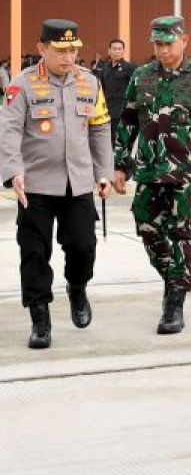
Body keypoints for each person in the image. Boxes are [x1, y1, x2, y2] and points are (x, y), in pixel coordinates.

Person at [0, 20, 113, 349]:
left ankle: (77, 288)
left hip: (78, 182)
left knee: (83, 246)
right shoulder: (22, 86)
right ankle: (40, 317)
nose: (69, 57)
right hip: (34, 184)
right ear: (42, 49)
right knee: (34, 252)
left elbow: (100, 129)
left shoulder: (90, 83)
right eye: (61, 51)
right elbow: (8, 133)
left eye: (73, 50)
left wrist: (103, 171)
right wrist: (13, 171)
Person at [112, 16, 191, 335]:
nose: (162, 50)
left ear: (184, 40)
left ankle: (174, 301)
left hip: (184, 172)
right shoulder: (142, 76)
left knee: (180, 233)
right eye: (157, 44)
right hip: (148, 169)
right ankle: (176, 276)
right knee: (147, 228)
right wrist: (121, 164)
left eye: (168, 43)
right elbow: (129, 121)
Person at [93, 38, 136, 147]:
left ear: (123, 51)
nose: (116, 51)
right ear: (109, 51)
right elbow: (100, 88)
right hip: (106, 112)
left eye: (119, 49)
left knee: (121, 143)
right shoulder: (105, 68)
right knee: (108, 142)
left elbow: (135, 89)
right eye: (114, 49)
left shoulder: (129, 68)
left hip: (122, 112)